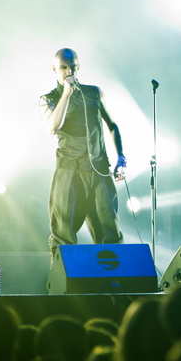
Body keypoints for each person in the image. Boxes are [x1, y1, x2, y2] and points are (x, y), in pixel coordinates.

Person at [40, 48, 126, 259]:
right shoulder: (48, 98)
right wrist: (67, 94)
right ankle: (66, 288)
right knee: (64, 235)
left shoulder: (95, 92)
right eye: (63, 67)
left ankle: (115, 287)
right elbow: (53, 127)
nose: (69, 71)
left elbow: (112, 125)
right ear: (54, 69)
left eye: (73, 67)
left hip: (99, 170)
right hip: (69, 171)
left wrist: (121, 157)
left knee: (110, 232)